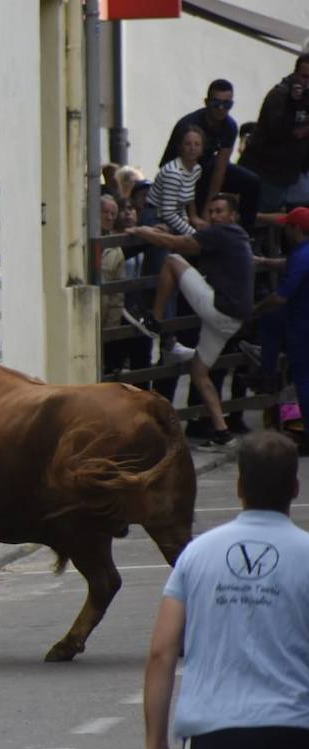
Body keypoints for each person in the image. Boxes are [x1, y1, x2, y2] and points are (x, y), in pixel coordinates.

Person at [144, 429, 309, 749]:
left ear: (237, 485)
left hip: (218, 739)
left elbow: (161, 653)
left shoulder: (197, 555)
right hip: (297, 735)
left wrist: (157, 748)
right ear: (295, 488)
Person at [127, 193, 254, 446]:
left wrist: (144, 231)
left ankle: (154, 319)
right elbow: (196, 229)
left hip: (219, 311)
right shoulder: (238, 235)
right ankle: (222, 431)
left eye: (220, 211)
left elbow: (180, 243)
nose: (215, 216)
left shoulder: (221, 234)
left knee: (172, 260)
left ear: (232, 216)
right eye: (212, 211)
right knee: (199, 370)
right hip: (234, 321)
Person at [159, 78, 261, 231]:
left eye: (227, 105)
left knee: (252, 182)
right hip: (180, 172)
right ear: (207, 102)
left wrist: (208, 209)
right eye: (216, 103)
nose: (221, 108)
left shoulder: (230, 126)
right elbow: (182, 170)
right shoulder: (188, 125)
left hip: (207, 167)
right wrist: (195, 215)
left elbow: (220, 168)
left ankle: (245, 233)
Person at [251, 208, 309, 453]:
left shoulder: (302, 255)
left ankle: (266, 372)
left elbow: (281, 297)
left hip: (302, 327)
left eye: (288, 226)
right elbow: (289, 265)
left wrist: (256, 309)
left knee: (303, 381)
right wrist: (264, 262)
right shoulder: (301, 254)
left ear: (296, 229)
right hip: (299, 325)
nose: (284, 230)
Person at [240, 54, 309, 213]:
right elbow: (277, 132)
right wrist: (293, 103)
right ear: (296, 74)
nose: (307, 83)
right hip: (265, 169)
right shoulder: (280, 95)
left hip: (289, 172)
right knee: (255, 213)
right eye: (305, 77)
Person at [101, 194, 154, 379]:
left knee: (141, 354)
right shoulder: (107, 243)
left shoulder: (117, 246)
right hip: (114, 309)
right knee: (112, 365)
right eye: (105, 212)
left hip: (129, 306)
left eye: (112, 213)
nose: (109, 216)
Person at [149, 125, 207, 236]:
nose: (192, 148)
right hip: (156, 218)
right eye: (188, 144)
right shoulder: (173, 172)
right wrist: (193, 235)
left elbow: (181, 202)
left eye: (197, 144)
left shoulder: (196, 169)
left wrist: (185, 219)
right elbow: (168, 212)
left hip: (173, 217)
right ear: (181, 147)